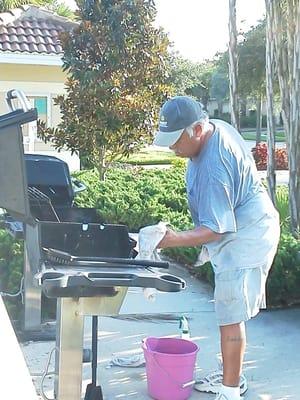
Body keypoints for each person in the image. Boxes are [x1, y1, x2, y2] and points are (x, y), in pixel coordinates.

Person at [153, 96, 280, 400]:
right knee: (228, 311)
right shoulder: (214, 127)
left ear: (197, 129)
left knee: (229, 315)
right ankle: (231, 377)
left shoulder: (214, 167)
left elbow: (213, 230)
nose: (172, 148)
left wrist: (171, 239)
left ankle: (230, 390)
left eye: (176, 140)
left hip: (246, 236)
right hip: (239, 224)